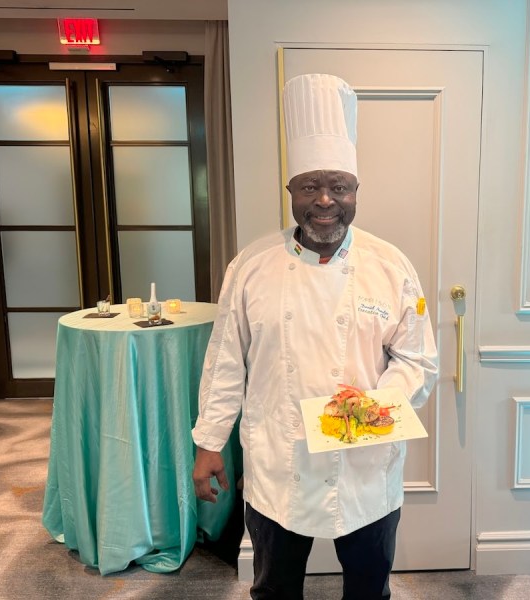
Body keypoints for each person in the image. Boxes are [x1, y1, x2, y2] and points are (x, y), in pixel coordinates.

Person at [191, 73, 438, 600]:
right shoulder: (251, 266)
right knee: (275, 590)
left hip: (367, 465)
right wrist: (210, 442)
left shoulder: (391, 266)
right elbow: (225, 360)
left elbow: (419, 360)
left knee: (369, 589)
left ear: (355, 191)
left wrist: (376, 404)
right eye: (310, 186)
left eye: (339, 186)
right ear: (291, 192)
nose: (325, 200)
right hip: (280, 466)